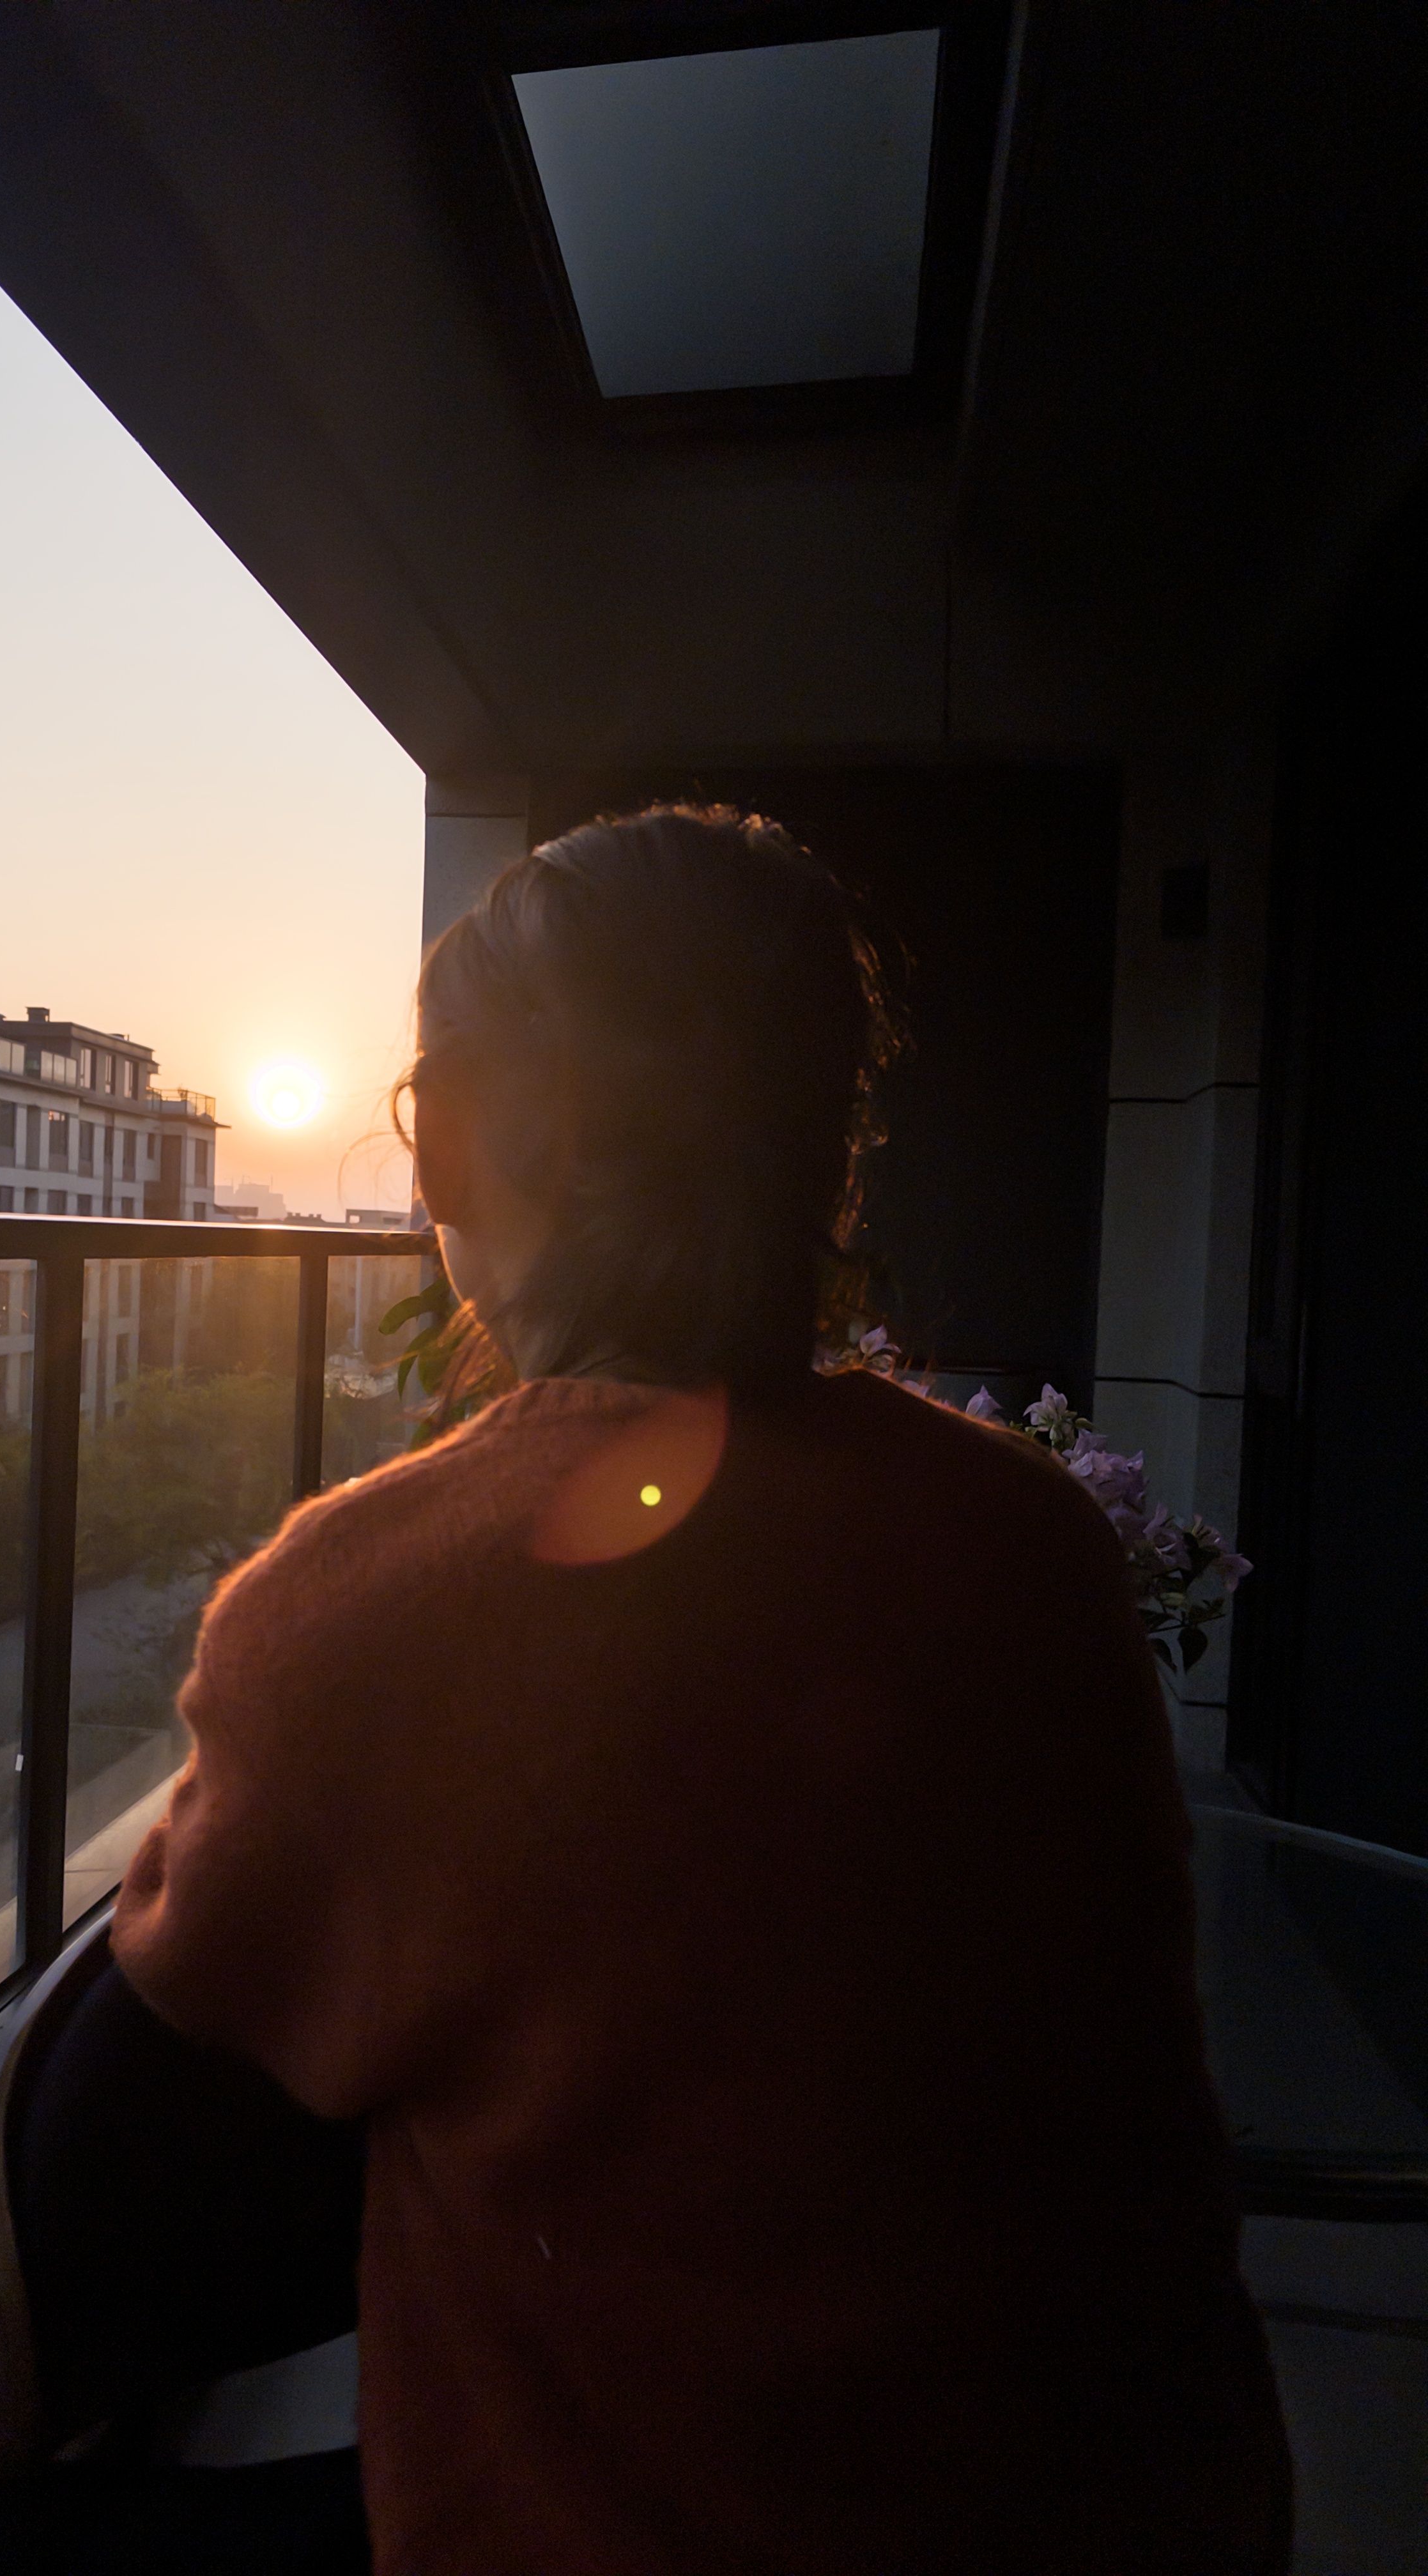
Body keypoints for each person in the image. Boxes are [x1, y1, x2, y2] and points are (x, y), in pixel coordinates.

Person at [110, 804, 1293, 2576]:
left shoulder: (361, 1613)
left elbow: (190, 1978)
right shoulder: (1028, 1543)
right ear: (819, 1149)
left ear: (479, 1144)